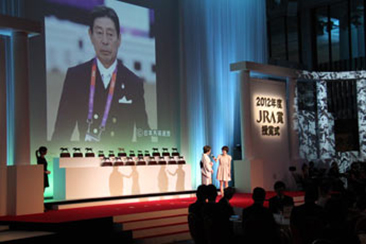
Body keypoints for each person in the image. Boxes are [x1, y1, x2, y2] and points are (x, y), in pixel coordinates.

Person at [52, 6, 149, 144]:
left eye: (110, 34)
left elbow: (143, 135)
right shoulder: (76, 77)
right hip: (86, 161)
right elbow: (61, 134)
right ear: (91, 36)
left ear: (119, 39)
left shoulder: (133, 82)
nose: (104, 41)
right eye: (99, 33)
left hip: (121, 162)